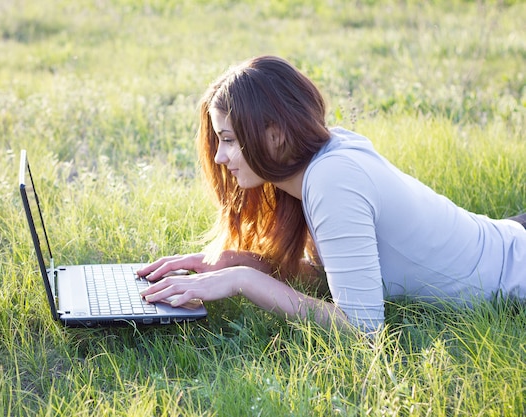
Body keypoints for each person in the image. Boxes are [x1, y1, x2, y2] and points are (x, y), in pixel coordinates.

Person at [137, 55, 526, 334]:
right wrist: (241, 262)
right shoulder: (323, 159)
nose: (221, 158)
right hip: (505, 239)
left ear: (275, 135)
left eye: (228, 140)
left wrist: (243, 281)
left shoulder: (333, 178)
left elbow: (363, 326)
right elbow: (330, 276)